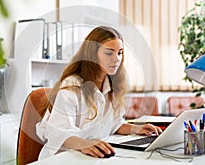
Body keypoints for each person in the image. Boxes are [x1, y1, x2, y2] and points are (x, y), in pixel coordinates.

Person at [36, 26, 162, 160]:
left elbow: (113, 124)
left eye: (120, 53)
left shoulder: (112, 84)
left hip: (92, 156)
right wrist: (84, 144)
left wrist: (136, 129)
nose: (116, 59)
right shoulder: (72, 85)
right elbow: (58, 131)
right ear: (92, 54)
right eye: (109, 53)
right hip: (64, 157)